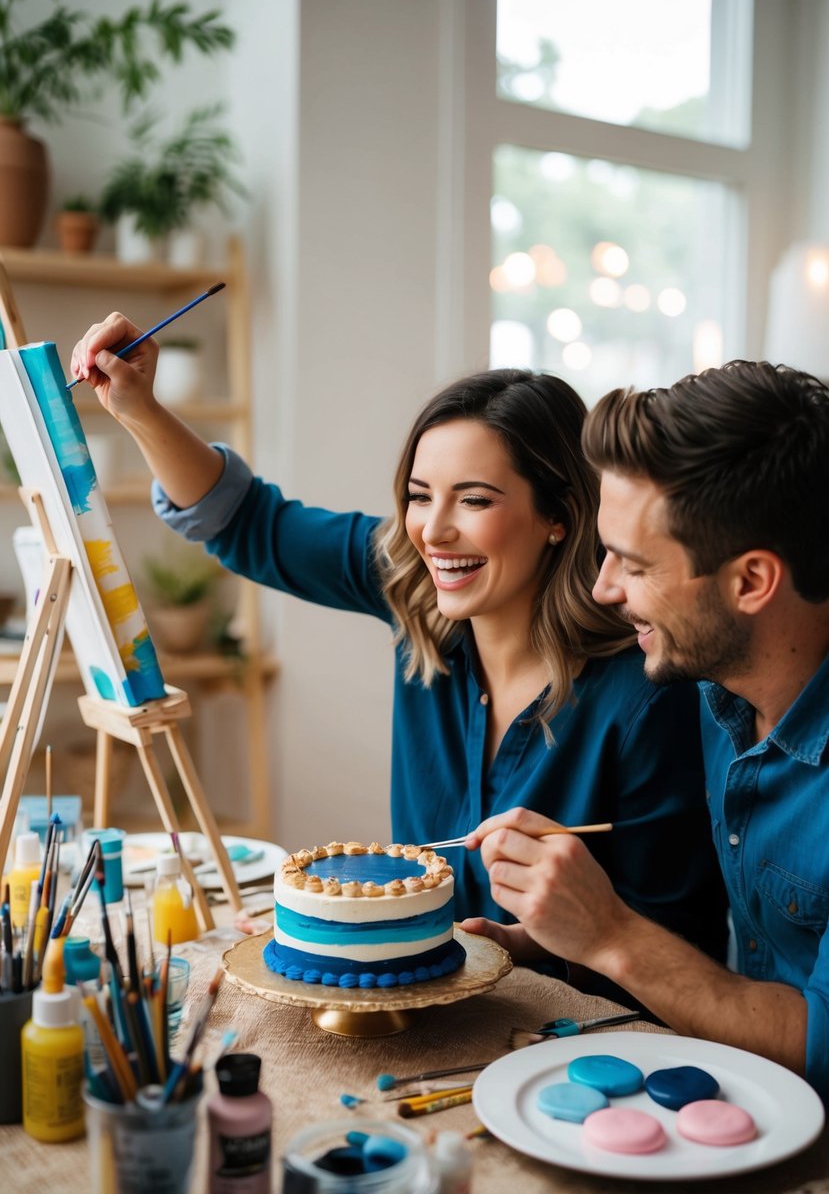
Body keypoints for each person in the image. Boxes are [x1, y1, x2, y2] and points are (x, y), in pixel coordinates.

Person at [70, 312, 726, 974]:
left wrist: (520, 947)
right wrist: (139, 408)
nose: (432, 532)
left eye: (473, 501)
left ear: (556, 516)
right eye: (418, 497)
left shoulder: (647, 695)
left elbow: (670, 952)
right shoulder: (411, 584)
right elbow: (245, 523)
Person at [465, 358, 829, 1098]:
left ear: (750, 582)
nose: (602, 588)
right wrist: (547, 936)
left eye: (631, 564)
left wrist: (610, 935)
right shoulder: (711, 686)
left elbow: (820, 1043)